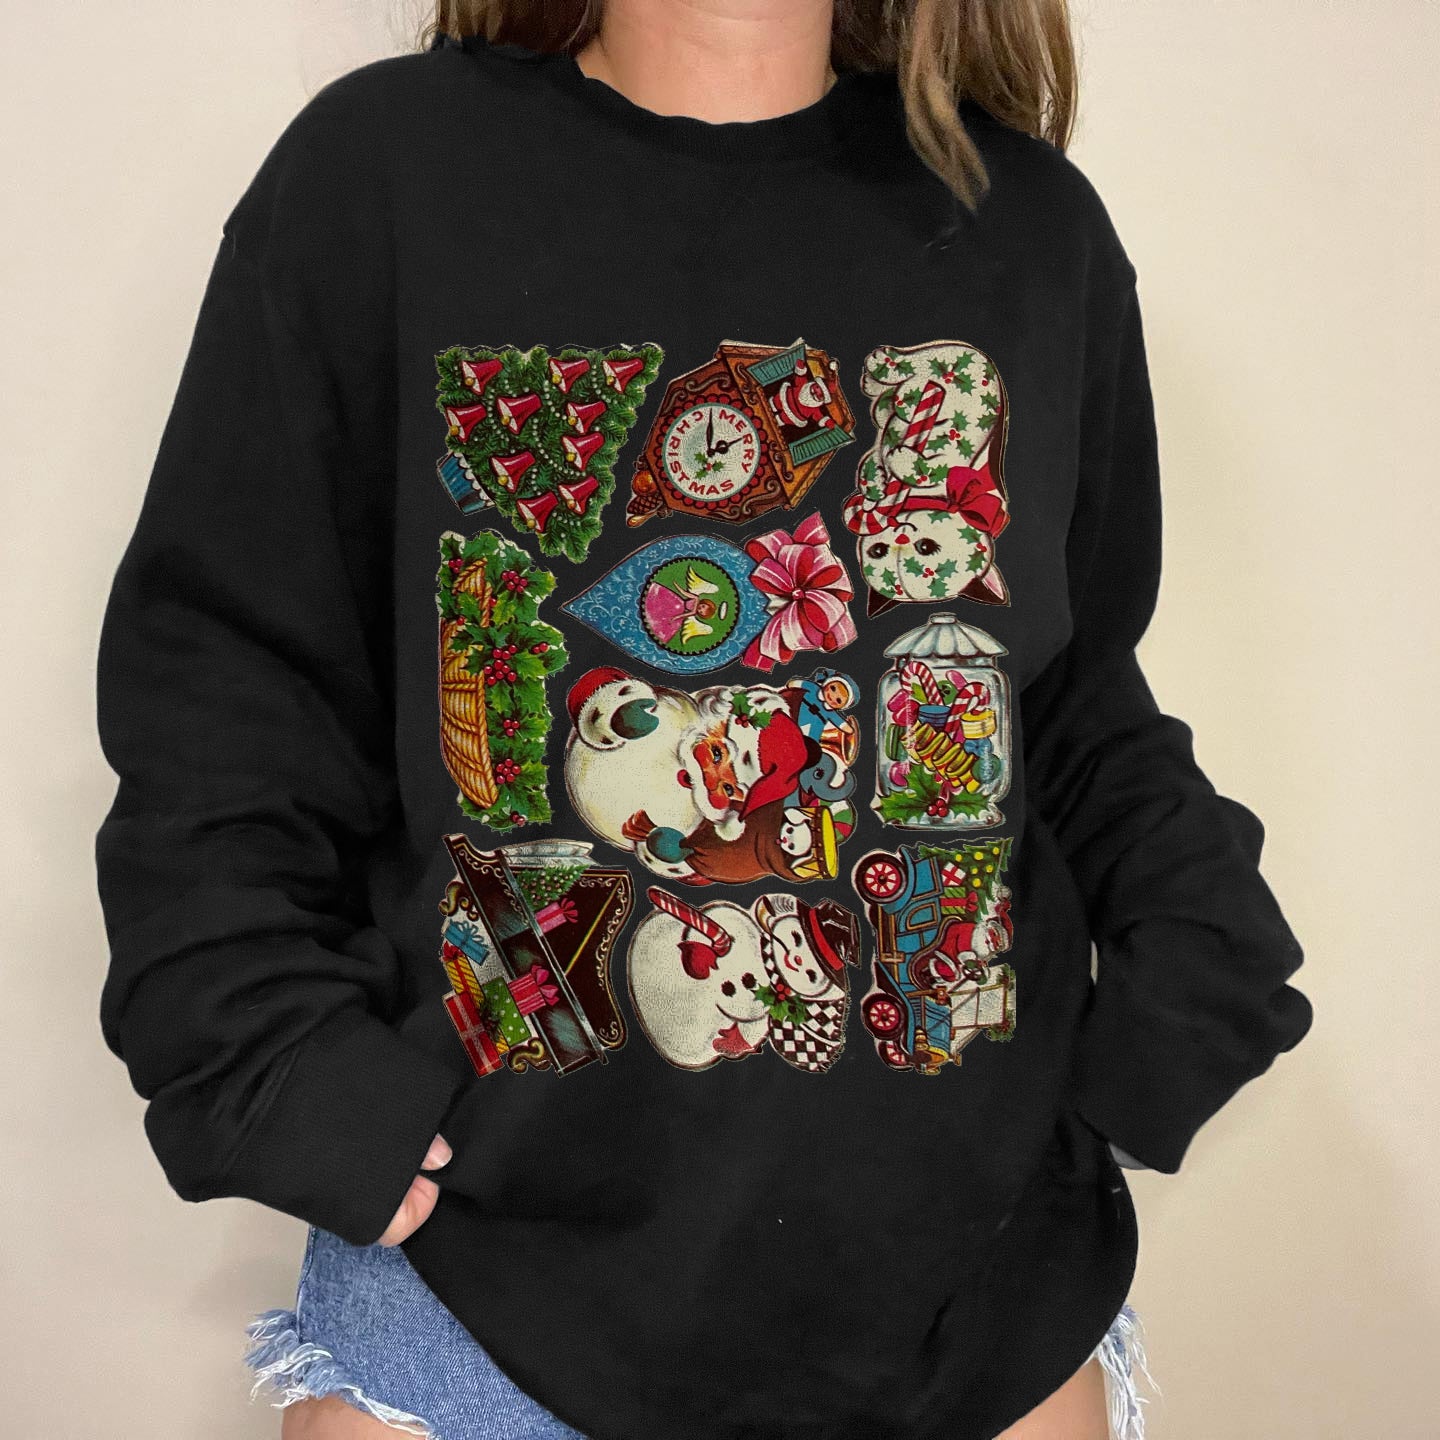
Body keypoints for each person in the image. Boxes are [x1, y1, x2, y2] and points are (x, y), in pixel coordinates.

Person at [94, 3, 1314, 1438]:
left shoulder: (1029, 228)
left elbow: (1062, 687)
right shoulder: (382, 176)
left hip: (982, 1308)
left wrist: (1197, 974)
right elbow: (230, 681)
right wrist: (264, 1057)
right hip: (482, 1299)